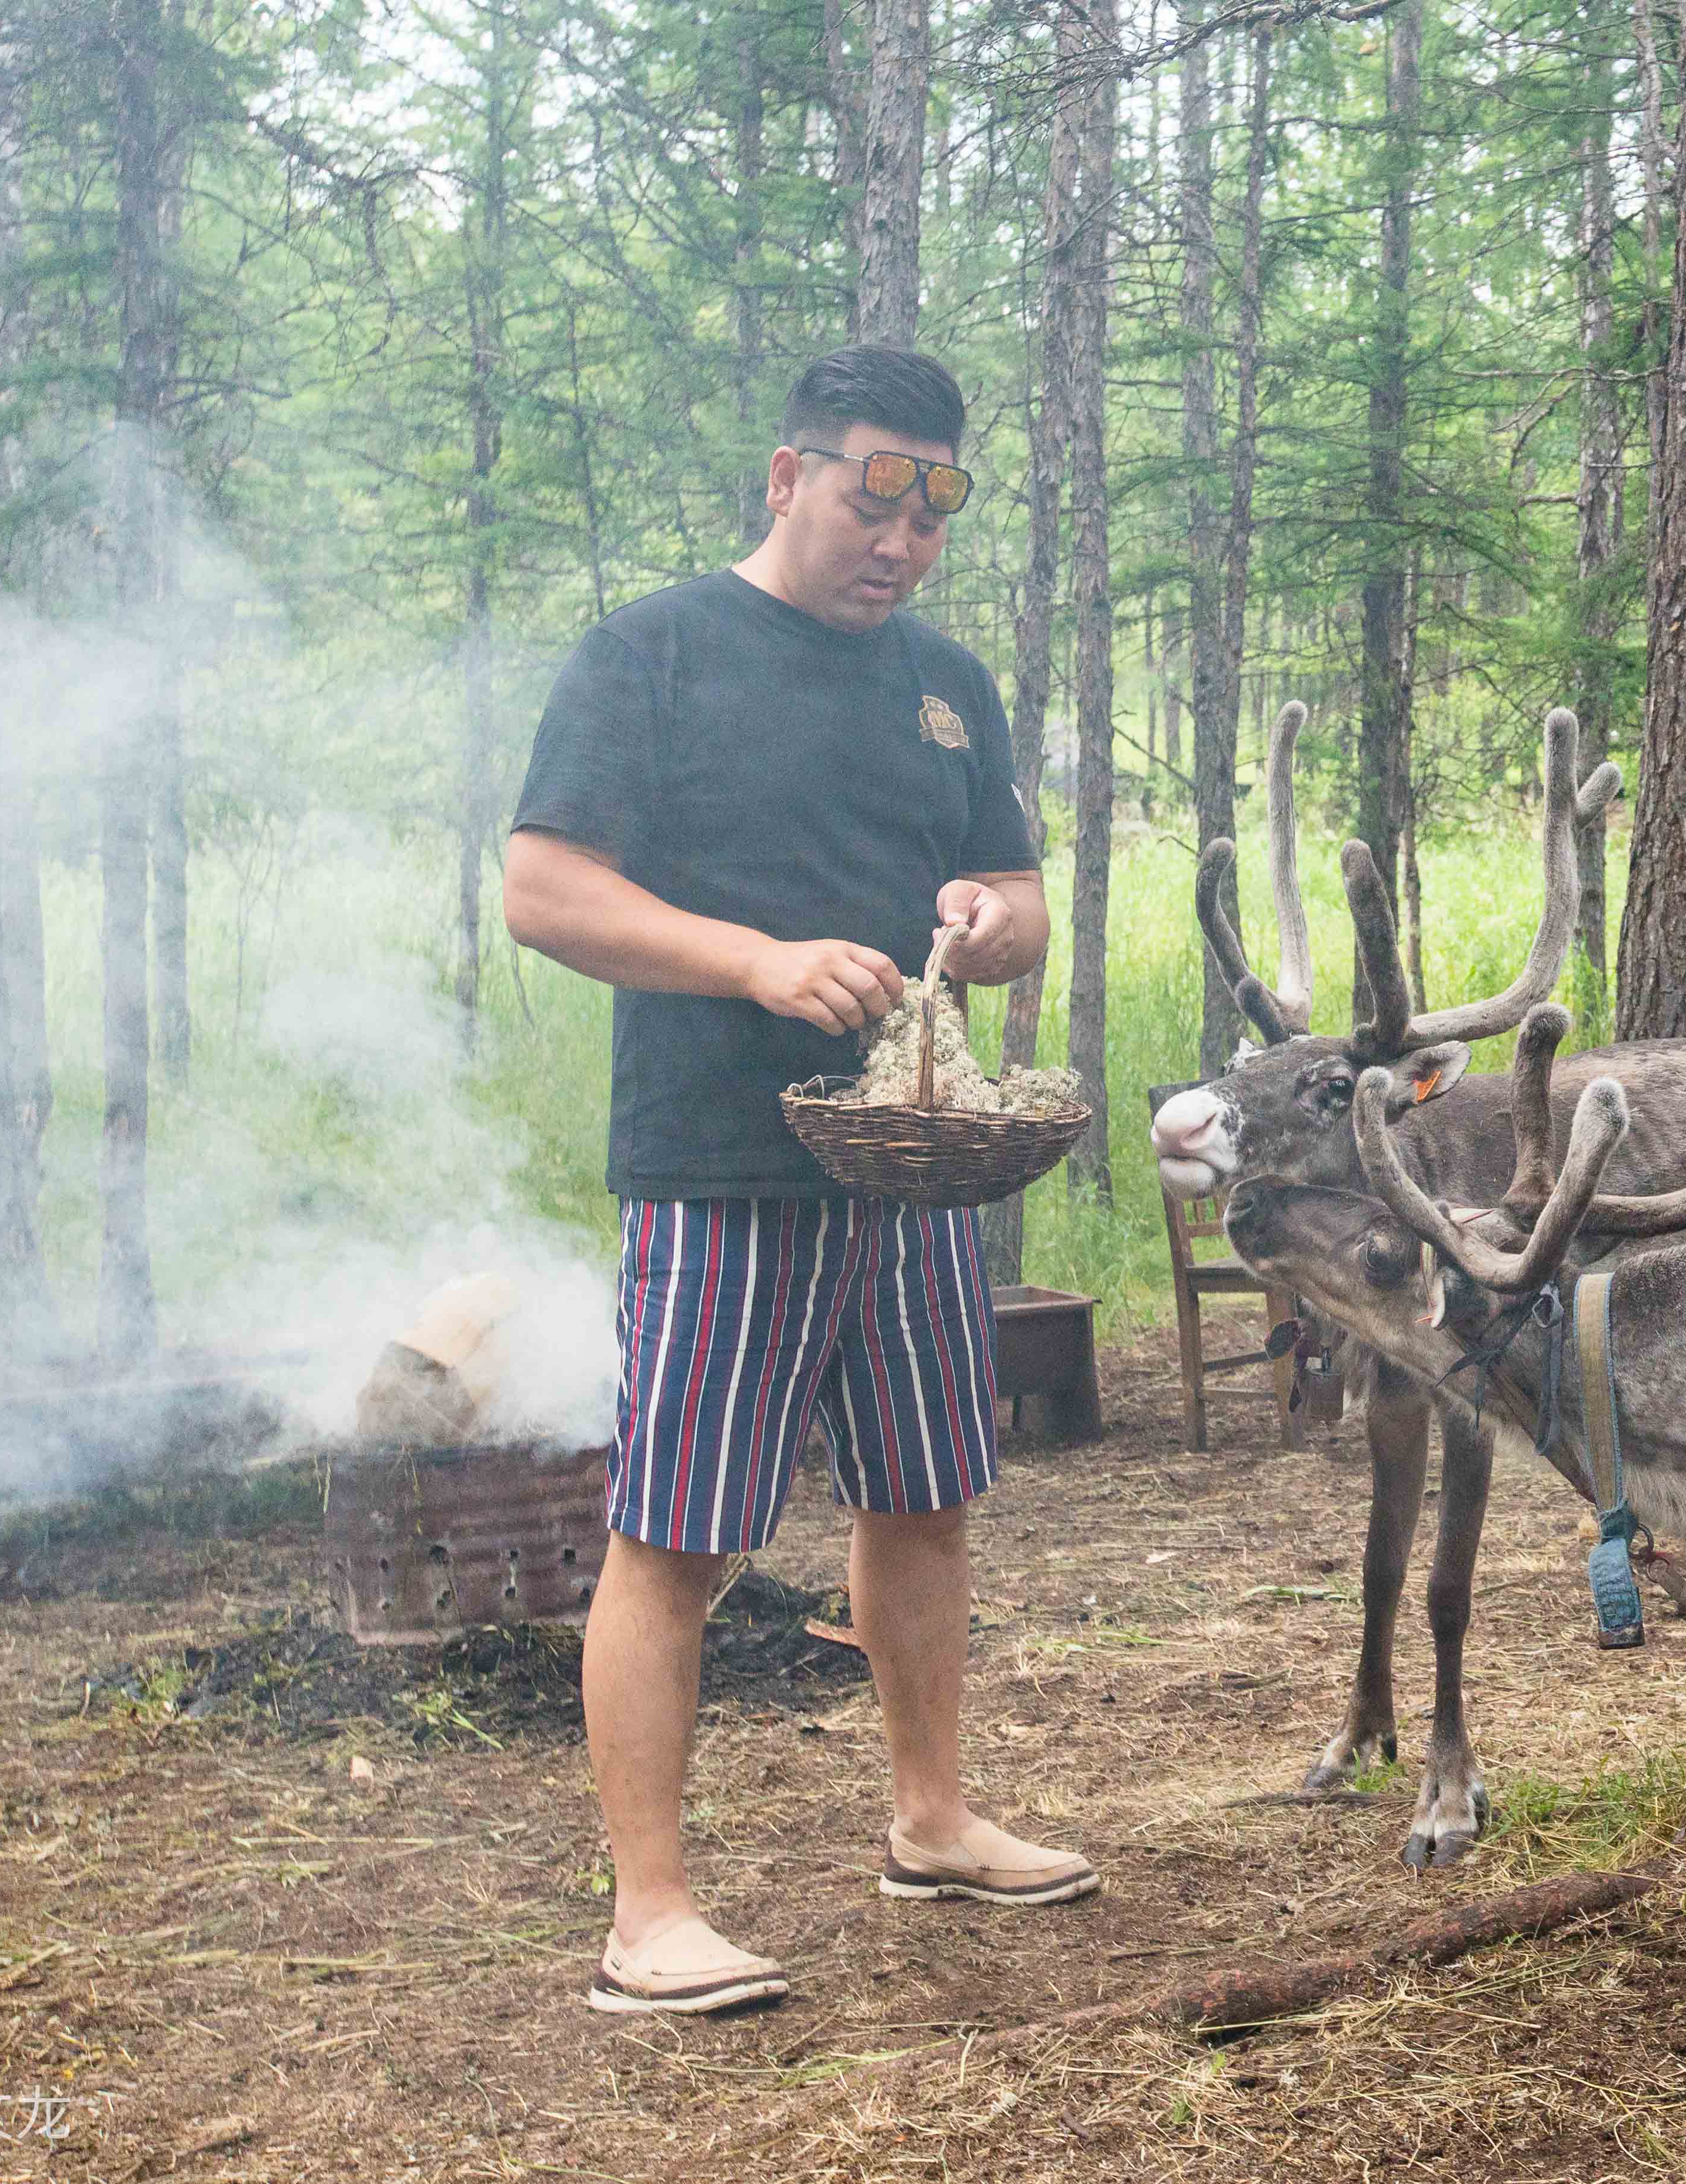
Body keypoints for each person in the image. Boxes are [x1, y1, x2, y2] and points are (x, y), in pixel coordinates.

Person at [503, 345, 1093, 2019]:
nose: (901, 541)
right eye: (871, 499)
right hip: (720, 1171)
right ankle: (650, 1916)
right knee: (675, 1536)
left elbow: (1017, 900)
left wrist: (992, 921)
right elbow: (544, 890)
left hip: (914, 1163)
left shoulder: (947, 686)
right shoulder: (653, 654)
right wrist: (754, 963)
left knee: (924, 1501)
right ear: (788, 477)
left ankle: (933, 1821)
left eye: (935, 510)